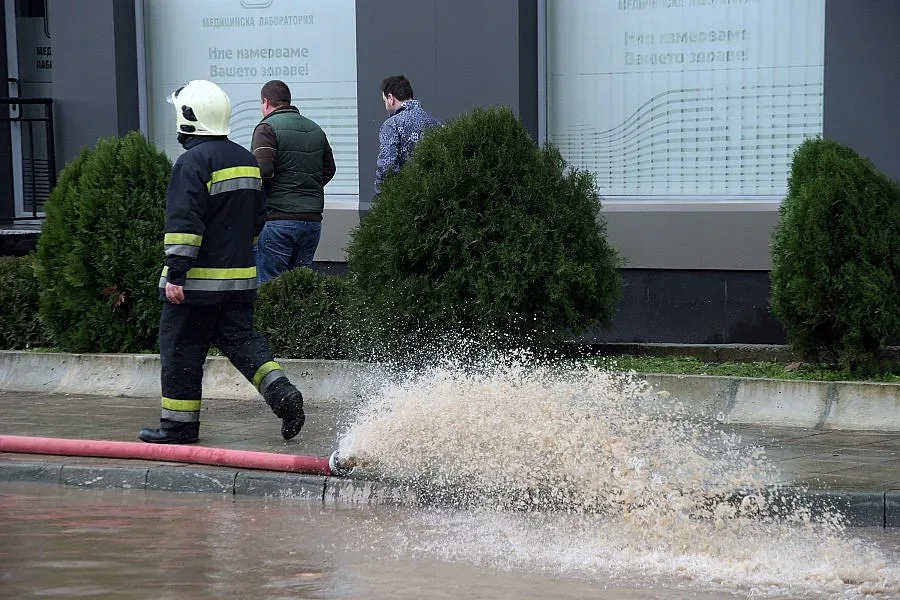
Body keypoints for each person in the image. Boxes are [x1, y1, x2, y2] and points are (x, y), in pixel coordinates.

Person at [139, 79, 306, 444]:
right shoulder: (246, 161)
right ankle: (283, 393)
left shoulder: (192, 163)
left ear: (189, 117)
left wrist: (177, 276)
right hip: (240, 281)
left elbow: (184, 225)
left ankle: (179, 427)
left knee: (181, 350)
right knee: (244, 344)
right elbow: (258, 219)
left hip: (195, 286)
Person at [251, 80, 336, 282]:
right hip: (312, 221)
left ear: (265, 102)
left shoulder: (266, 128)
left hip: (278, 220)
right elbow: (329, 169)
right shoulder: (315, 129)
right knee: (299, 287)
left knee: (271, 287)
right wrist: (305, 189)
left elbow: (262, 171)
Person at [374, 75, 441, 195]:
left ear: (390, 98)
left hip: (404, 200)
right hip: (432, 197)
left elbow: (387, 167)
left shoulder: (392, 124)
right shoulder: (434, 122)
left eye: (384, 101)